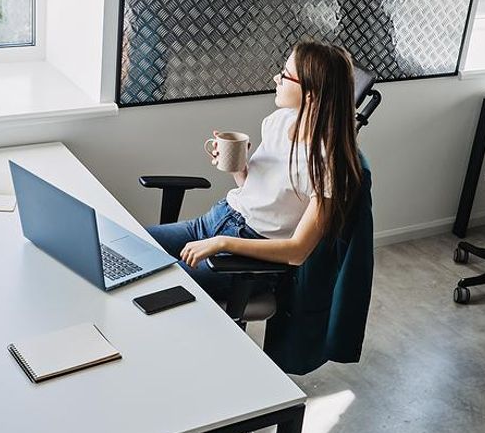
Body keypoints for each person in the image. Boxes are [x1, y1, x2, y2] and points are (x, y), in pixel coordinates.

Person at [147, 40, 364, 304]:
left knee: (156, 286)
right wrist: (238, 166)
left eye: (285, 75)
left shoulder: (328, 165)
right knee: (125, 245)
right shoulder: (279, 121)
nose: (277, 78)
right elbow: (252, 189)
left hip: (249, 254)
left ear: (310, 93)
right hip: (217, 220)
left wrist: (222, 243)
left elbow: (297, 252)